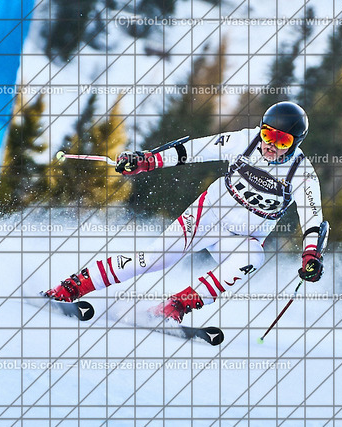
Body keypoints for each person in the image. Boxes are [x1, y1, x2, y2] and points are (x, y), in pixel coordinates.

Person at [43, 101, 326, 326]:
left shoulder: (302, 174)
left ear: (295, 143)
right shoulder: (244, 141)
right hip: (208, 216)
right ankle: (70, 287)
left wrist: (311, 255)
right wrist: (149, 161)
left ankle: (173, 307)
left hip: (242, 238)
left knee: (252, 257)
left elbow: (313, 219)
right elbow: (193, 150)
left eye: (281, 140)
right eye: (267, 134)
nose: (270, 145)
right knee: (153, 259)